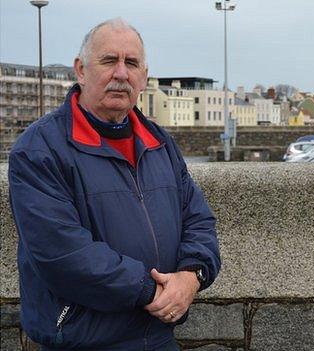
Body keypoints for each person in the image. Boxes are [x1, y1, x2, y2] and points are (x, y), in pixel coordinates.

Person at [9, 18, 220, 350]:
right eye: (110, 61)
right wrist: (153, 291)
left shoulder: (159, 143)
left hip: (158, 338)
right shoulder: (40, 150)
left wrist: (192, 276)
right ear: (80, 70)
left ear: (143, 78)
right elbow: (61, 254)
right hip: (84, 341)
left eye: (132, 63)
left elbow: (199, 220)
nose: (122, 73)